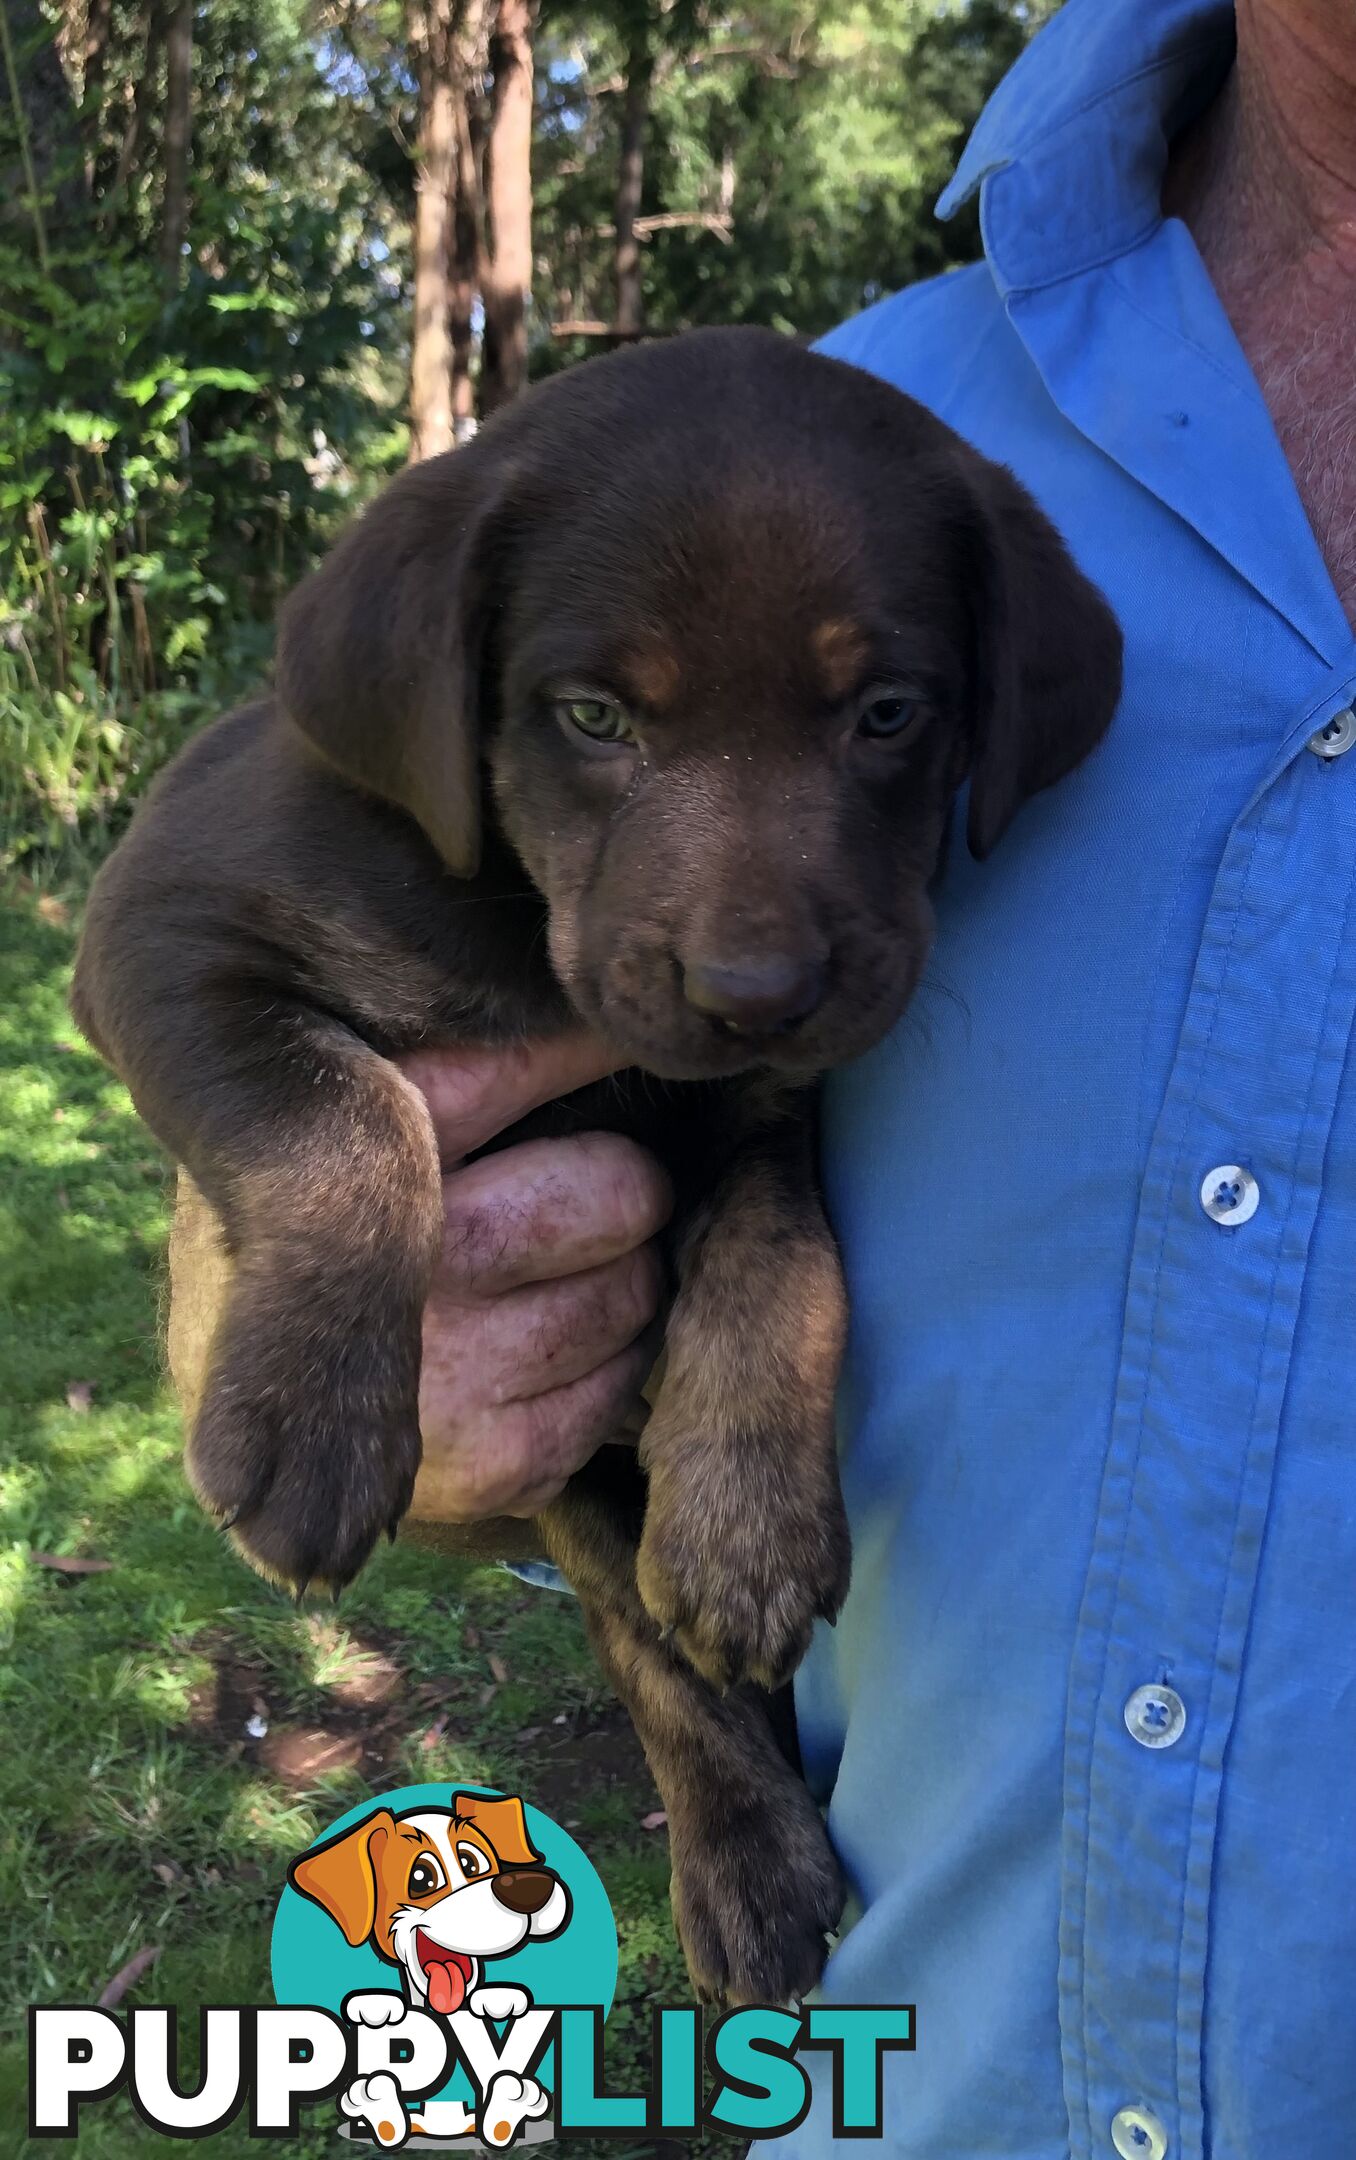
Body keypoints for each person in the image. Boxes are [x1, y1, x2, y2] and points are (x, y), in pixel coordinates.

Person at [168, 0, 1356, 2149]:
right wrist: (341, 1269)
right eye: (618, 728)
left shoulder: (943, 547)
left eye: (879, 726)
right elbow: (268, 1041)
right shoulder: (863, 438)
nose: (751, 924)